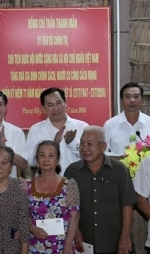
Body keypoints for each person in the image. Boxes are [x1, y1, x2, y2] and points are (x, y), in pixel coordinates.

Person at [64, 126, 137, 254]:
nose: (84, 148)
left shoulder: (119, 169)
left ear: (103, 147)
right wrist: (76, 233)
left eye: (90, 144)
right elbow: (68, 208)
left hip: (114, 241)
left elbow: (127, 204)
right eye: (81, 143)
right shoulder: (72, 171)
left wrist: (125, 236)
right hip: (84, 241)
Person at [28, 140, 80, 254]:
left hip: (62, 245)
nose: (46, 159)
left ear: (58, 160)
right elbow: (20, 213)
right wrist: (31, 227)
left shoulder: (69, 184)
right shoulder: (26, 185)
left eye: (51, 155)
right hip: (34, 244)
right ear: (37, 159)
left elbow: (74, 217)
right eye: (42, 155)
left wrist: (68, 245)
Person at [27, 87, 88, 174]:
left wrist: (72, 143)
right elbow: (31, 161)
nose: (56, 108)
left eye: (59, 103)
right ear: (43, 108)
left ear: (65, 103)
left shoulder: (82, 127)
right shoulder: (36, 130)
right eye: (50, 105)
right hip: (48, 182)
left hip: (78, 181)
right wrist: (54, 144)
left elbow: (90, 156)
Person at [104, 82, 150, 155]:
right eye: (128, 97)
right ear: (122, 100)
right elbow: (104, 152)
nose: (132, 100)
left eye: (136, 96)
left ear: (142, 100)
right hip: (118, 166)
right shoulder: (110, 125)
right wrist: (121, 158)